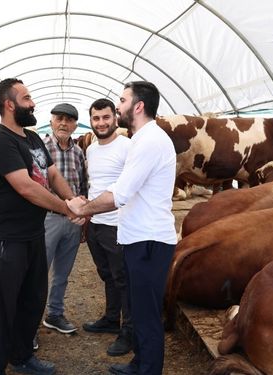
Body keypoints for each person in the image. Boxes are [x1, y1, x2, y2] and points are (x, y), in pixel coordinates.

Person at [67, 81, 177, 375]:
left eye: (123, 100)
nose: (118, 106)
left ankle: (148, 369)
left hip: (150, 240)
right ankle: (139, 363)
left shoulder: (149, 141)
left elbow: (120, 193)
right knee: (140, 309)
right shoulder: (143, 139)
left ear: (138, 106)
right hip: (138, 237)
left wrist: (84, 209)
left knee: (148, 313)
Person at [0, 78, 84, 375]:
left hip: (32, 235)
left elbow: (51, 175)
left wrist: (74, 199)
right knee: (1, 309)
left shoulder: (33, 139)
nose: (33, 103)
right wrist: (67, 209)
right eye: (27, 98)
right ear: (9, 104)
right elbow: (25, 187)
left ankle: (22, 357)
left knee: (32, 299)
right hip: (6, 239)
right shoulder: (0, 141)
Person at [81, 98, 133, 357]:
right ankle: (112, 319)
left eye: (105, 117)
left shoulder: (128, 147)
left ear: (115, 118)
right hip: (96, 224)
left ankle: (129, 332)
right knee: (107, 275)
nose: (101, 123)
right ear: (90, 121)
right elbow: (95, 184)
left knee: (123, 279)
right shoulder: (91, 148)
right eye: (96, 118)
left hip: (118, 225)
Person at [41, 103, 88, 335]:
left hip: (72, 221)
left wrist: (83, 217)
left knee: (62, 273)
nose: (63, 123)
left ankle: (55, 314)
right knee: (39, 272)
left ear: (75, 125)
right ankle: (29, 325)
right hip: (47, 218)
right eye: (59, 118)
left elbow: (81, 185)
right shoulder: (40, 148)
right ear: (51, 121)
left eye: (69, 120)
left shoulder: (78, 152)